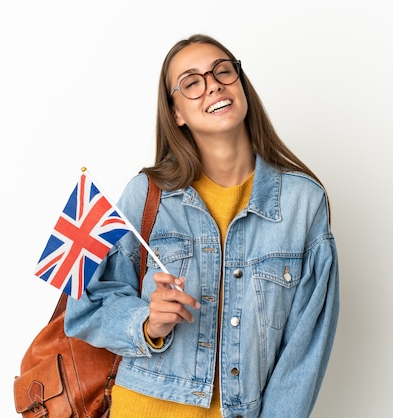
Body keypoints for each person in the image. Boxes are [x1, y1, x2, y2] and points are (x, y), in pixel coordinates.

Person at [64, 34, 340, 418]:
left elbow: (304, 351)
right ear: (175, 112)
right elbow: (84, 309)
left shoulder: (302, 202)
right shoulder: (146, 193)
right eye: (192, 82)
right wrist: (147, 323)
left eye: (223, 71)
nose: (213, 84)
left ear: (240, 84)